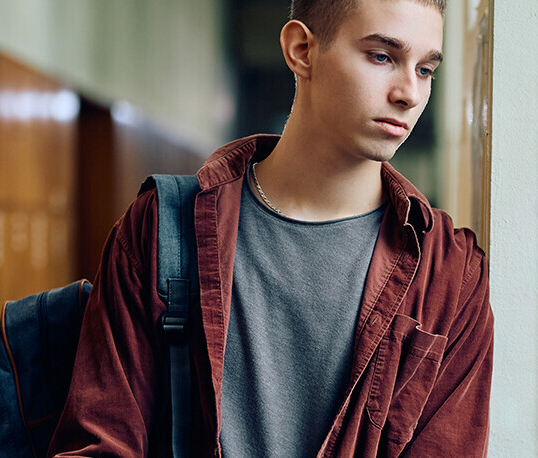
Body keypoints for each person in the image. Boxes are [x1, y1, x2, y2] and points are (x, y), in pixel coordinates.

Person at [47, 0, 491, 456]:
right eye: (382, 56)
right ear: (301, 49)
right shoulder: (163, 228)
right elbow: (102, 442)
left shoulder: (451, 274)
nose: (409, 93)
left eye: (425, 70)